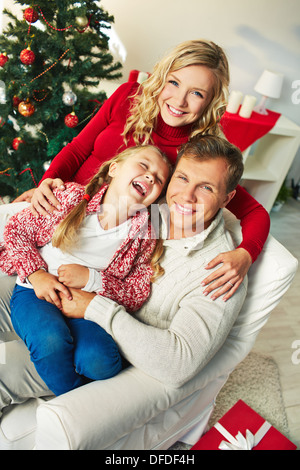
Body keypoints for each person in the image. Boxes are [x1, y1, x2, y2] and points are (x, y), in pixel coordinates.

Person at [0, 135, 247, 416]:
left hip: (101, 322)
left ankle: (75, 409)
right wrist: (47, 186)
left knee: (88, 357)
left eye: (206, 188)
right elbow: (22, 227)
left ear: (227, 199)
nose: (187, 196)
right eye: (181, 179)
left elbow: (178, 362)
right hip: (38, 291)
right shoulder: (152, 213)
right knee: (46, 338)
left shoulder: (222, 270)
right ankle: (76, 406)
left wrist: (92, 293)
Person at [11, 39, 270, 300]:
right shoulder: (127, 96)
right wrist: (47, 183)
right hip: (61, 213)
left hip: (103, 250)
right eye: (175, 82)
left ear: (211, 102)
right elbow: (78, 149)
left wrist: (245, 254)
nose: (179, 101)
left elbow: (253, 211)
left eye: (197, 93)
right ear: (162, 77)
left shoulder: (197, 152)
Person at [0, 145, 171, 396]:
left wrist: (92, 279)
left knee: (102, 361)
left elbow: (137, 292)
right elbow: (16, 229)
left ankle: (60, 369)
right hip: (35, 294)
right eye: (144, 166)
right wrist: (37, 275)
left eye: (158, 180)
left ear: (156, 197)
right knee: (51, 340)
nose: (149, 177)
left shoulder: (146, 232)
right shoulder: (71, 196)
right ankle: (71, 400)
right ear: (114, 168)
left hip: (86, 309)